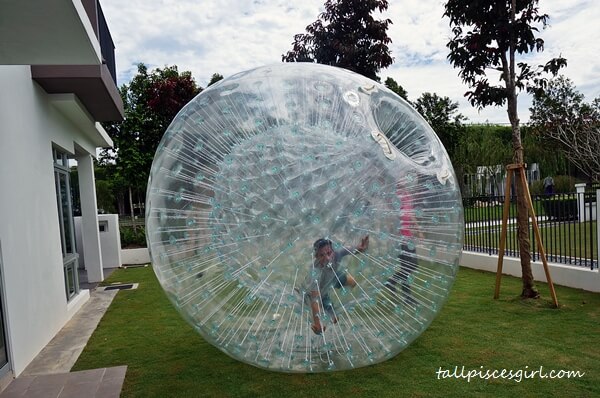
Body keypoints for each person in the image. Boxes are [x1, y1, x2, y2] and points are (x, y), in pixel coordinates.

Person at [304, 235, 369, 335]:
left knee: (353, 282)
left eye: (329, 253)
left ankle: (340, 290)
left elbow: (354, 250)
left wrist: (362, 248)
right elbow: (315, 300)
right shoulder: (315, 273)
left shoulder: (338, 254)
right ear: (316, 257)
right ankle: (302, 295)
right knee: (334, 319)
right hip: (320, 293)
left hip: (333, 278)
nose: (327, 258)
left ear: (333, 251)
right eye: (322, 255)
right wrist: (317, 323)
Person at [384, 184, 424, 306]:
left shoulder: (407, 196)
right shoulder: (395, 198)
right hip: (400, 240)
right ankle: (407, 297)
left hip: (409, 239)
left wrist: (418, 230)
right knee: (407, 268)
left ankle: (391, 282)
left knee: (413, 265)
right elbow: (390, 218)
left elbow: (410, 214)